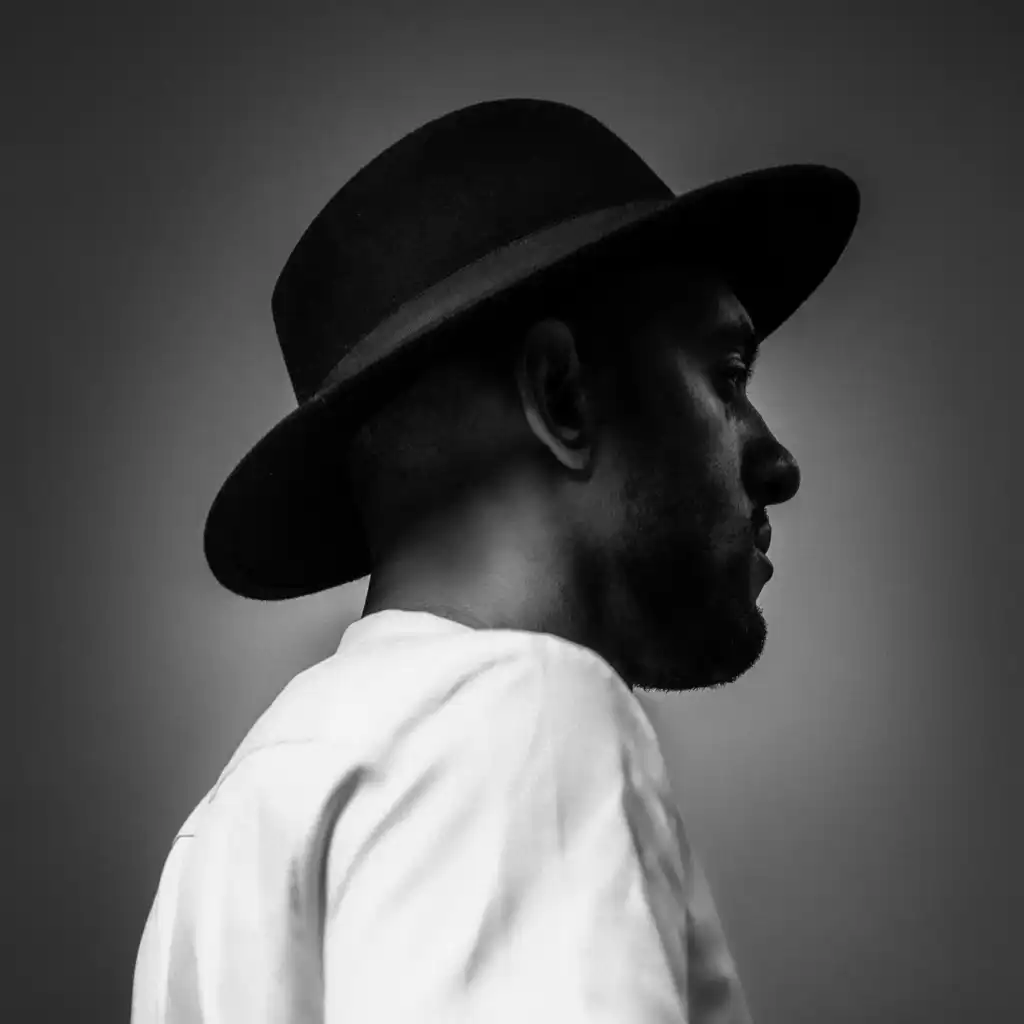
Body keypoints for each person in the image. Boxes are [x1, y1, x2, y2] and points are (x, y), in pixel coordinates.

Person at [131, 98, 860, 1022]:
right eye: (728, 376)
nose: (777, 462)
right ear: (563, 397)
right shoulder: (526, 718)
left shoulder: (224, 842)